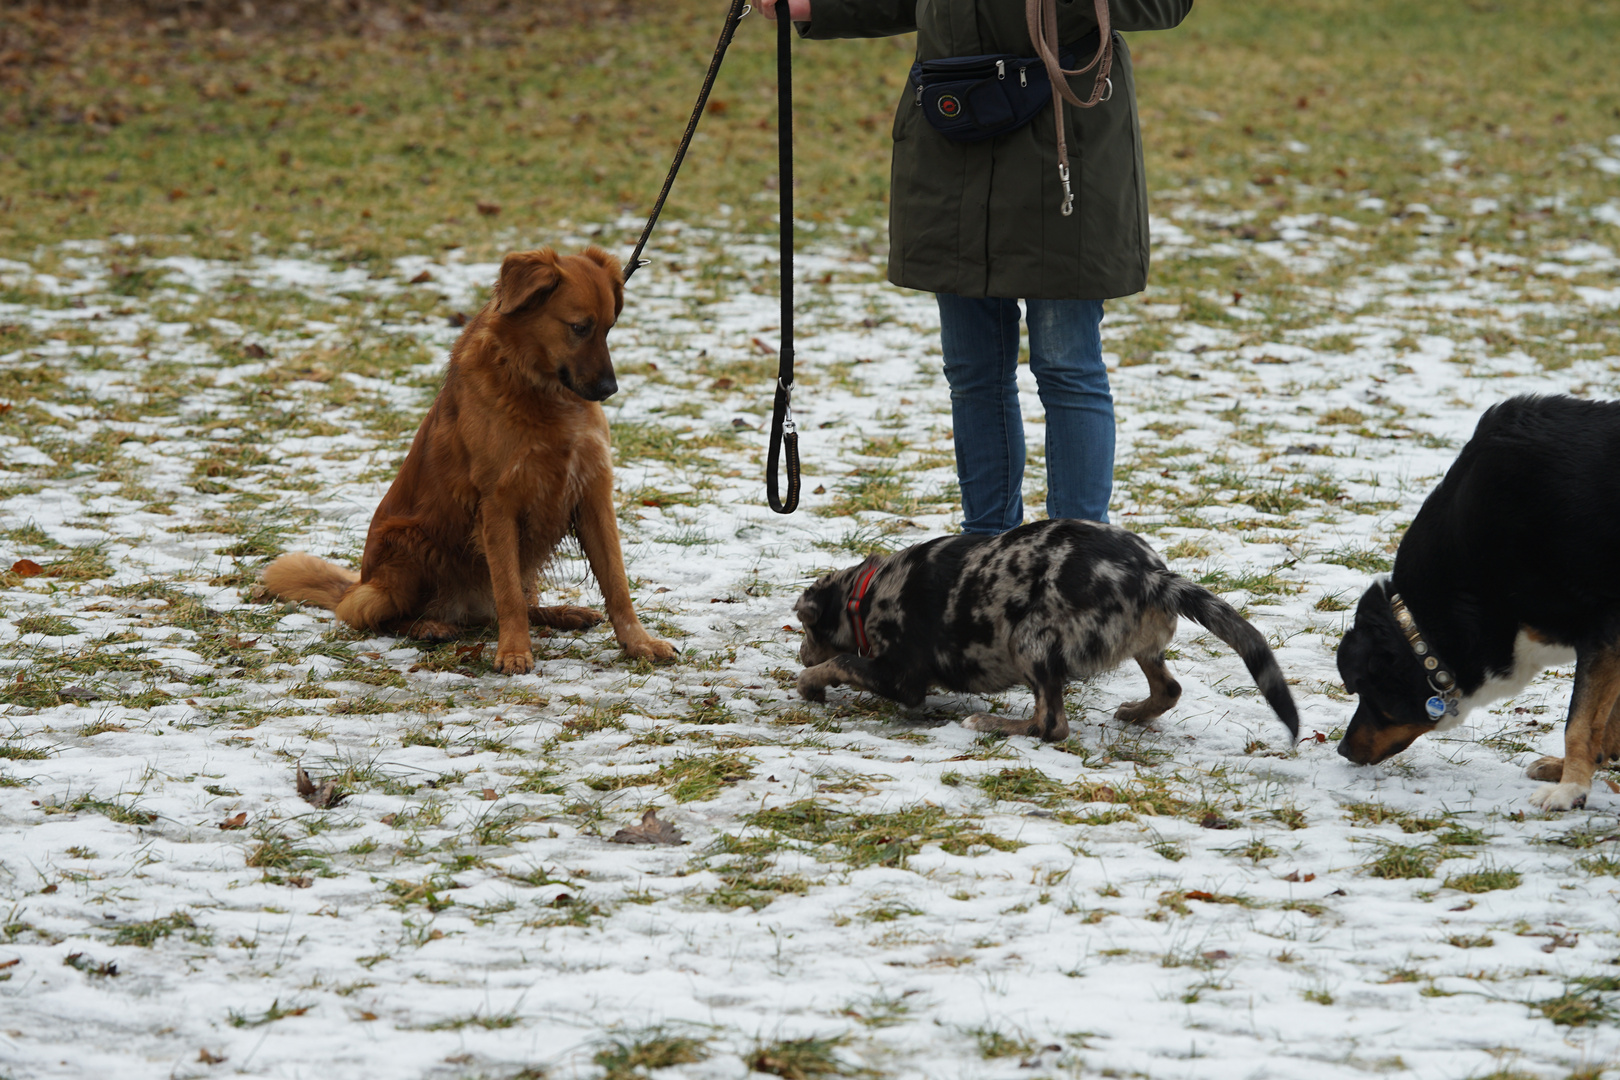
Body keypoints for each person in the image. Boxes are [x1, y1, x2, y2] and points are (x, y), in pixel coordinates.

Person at [762, 0, 1192, 533]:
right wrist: (815, 5)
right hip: (951, 139)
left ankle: (1081, 560)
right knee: (972, 373)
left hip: (1066, 142)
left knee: (1067, 366)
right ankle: (987, 555)